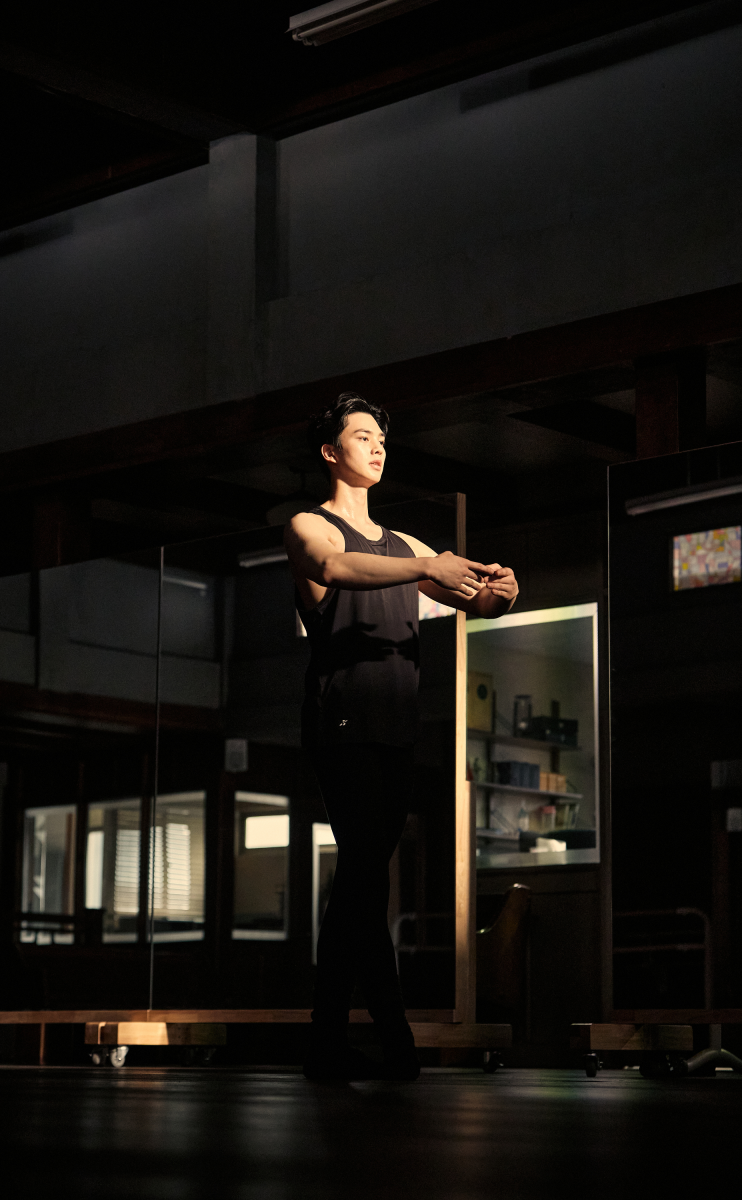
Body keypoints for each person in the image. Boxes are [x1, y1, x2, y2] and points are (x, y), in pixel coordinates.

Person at [284, 392, 518, 1080]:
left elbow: (475, 598)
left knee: (364, 884)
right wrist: (428, 567)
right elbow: (334, 568)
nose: (377, 447)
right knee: (363, 876)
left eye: (381, 439)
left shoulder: (406, 544)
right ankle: (375, 1039)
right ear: (330, 452)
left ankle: (355, 1042)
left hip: (396, 727)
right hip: (342, 722)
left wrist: (501, 591)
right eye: (362, 436)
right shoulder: (309, 525)